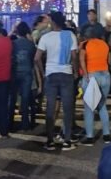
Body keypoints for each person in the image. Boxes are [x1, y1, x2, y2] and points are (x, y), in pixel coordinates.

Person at [35, 11, 78, 151]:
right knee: (67, 108)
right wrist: (76, 71)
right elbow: (74, 56)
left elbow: (36, 58)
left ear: (53, 22)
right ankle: (67, 140)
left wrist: (43, 72)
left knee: (50, 108)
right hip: (66, 74)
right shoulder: (70, 35)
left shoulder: (45, 37)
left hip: (51, 74)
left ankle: (50, 140)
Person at [79, 23, 111, 146]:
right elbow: (109, 60)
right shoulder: (104, 44)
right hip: (105, 75)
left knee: (89, 108)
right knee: (102, 105)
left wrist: (85, 74)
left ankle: (90, 136)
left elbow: (82, 59)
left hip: (92, 76)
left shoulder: (85, 44)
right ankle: (107, 134)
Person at [11, 21, 40, 131]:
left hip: (15, 73)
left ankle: (10, 123)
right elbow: (34, 60)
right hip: (27, 73)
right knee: (26, 99)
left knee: (13, 98)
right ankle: (25, 124)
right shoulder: (30, 44)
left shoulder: (13, 43)